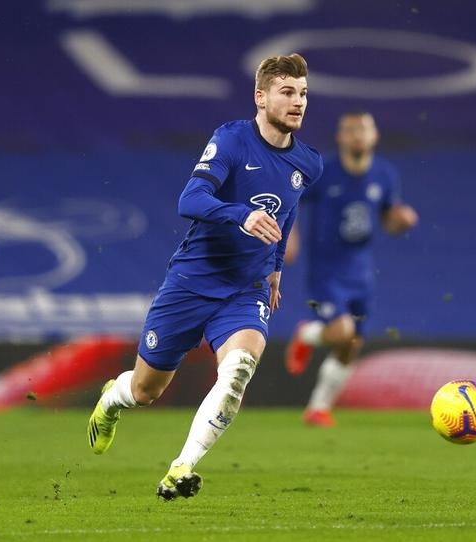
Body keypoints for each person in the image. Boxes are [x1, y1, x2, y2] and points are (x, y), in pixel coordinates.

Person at [86, 53, 323, 500]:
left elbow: (287, 215)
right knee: (144, 391)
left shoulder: (309, 163)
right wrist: (241, 215)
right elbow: (190, 199)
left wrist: (273, 271)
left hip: (245, 289)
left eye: (304, 94)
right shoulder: (232, 140)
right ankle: (112, 399)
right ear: (261, 97)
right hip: (192, 283)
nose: (298, 102)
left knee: (238, 370)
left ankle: (181, 467)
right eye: (287, 92)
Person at [283, 111, 418, 427]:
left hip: (360, 273)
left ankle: (318, 407)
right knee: (342, 331)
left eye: (363, 129)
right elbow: (291, 200)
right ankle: (307, 333)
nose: (357, 135)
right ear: (340, 137)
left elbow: (387, 219)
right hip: (326, 271)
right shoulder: (323, 171)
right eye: (350, 130)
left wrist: (400, 222)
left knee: (352, 342)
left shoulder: (384, 174)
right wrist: (290, 237)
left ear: (375, 136)